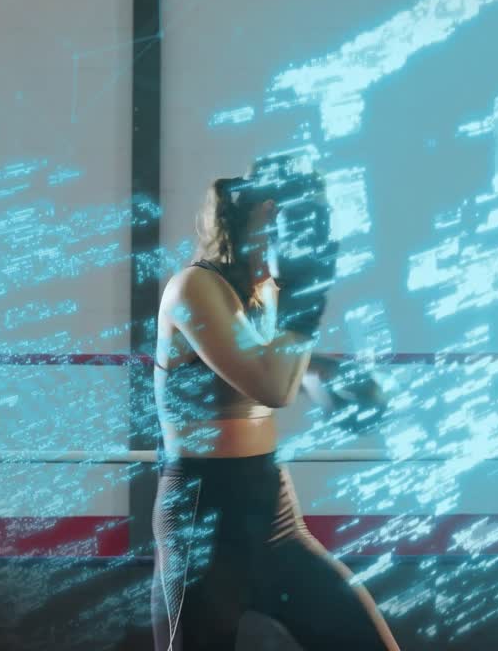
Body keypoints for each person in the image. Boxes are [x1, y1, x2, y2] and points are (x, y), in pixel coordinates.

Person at [149, 151, 399, 651]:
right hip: (204, 514)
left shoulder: (263, 291)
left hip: (271, 510)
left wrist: (332, 385)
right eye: (306, 223)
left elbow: (283, 371)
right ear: (268, 213)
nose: (314, 241)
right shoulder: (194, 288)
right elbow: (271, 386)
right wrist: (305, 303)